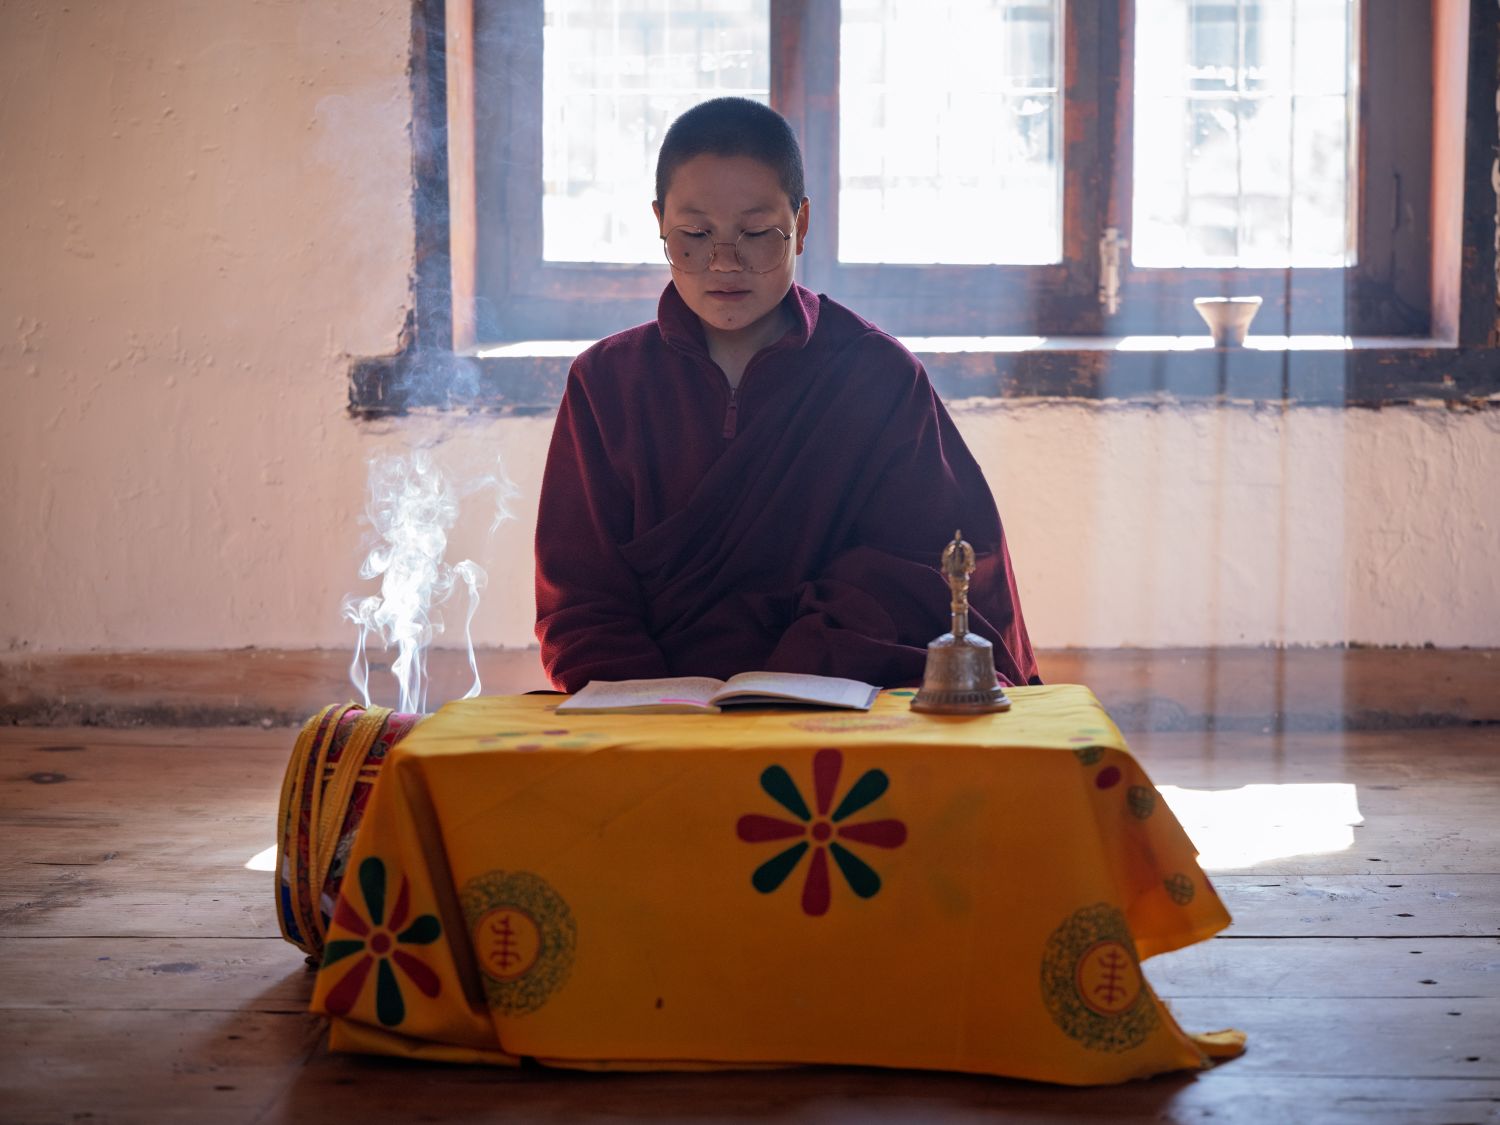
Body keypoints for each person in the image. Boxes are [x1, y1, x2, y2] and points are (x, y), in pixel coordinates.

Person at [534, 97, 1038, 693]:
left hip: (838, 696)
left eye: (756, 234)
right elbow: (580, 599)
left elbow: (933, 572)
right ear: (659, 223)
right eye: (694, 235)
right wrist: (653, 713)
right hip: (654, 715)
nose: (724, 263)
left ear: (800, 225)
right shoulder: (606, 384)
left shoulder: (875, 374)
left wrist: (778, 682)